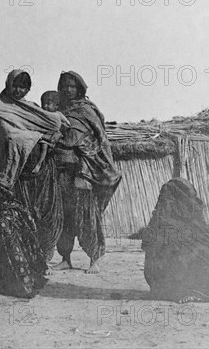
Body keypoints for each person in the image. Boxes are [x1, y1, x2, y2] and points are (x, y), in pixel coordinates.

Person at [53, 71, 121, 274]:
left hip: (85, 172)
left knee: (88, 215)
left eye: (72, 86)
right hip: (63, 171)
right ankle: (65, 258)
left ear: (80, 88)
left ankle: (94, 260)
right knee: (64, 216)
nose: (68, 89)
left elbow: (100, 140)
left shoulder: (86, 110)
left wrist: (79, 146)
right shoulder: (57, 109)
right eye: (64, 85)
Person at [0, 70, 64, 261]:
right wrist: (41, 136)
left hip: (43, 169)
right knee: (23, 212)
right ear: (8, 84)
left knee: (46, 211)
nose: (19, 90)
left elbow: (55, 125)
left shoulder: (31, 108)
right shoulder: (1, 108)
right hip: (19, 171)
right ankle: (25, 256)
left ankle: (46, 256)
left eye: (23, 87)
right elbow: (9, 135)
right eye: (15, 85)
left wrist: (53, 133)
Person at [142, 178, 209, 303]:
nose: (194, 201)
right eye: (190, 196)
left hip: (159, 284)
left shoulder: (157, 222)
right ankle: (190, 288)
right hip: (176, 279)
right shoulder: (191, 223)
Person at [32, 91, 70, 174]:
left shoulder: (58, 114)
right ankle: (39, 164)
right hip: (44, 135)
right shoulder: (43, 113)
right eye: (43, 103)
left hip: (54, 135)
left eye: (48, 104)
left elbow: (66, 122)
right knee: (44, 148)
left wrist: (65, 125)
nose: (45, 106)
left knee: (49, 149)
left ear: (56, 106)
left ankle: (40, 164)